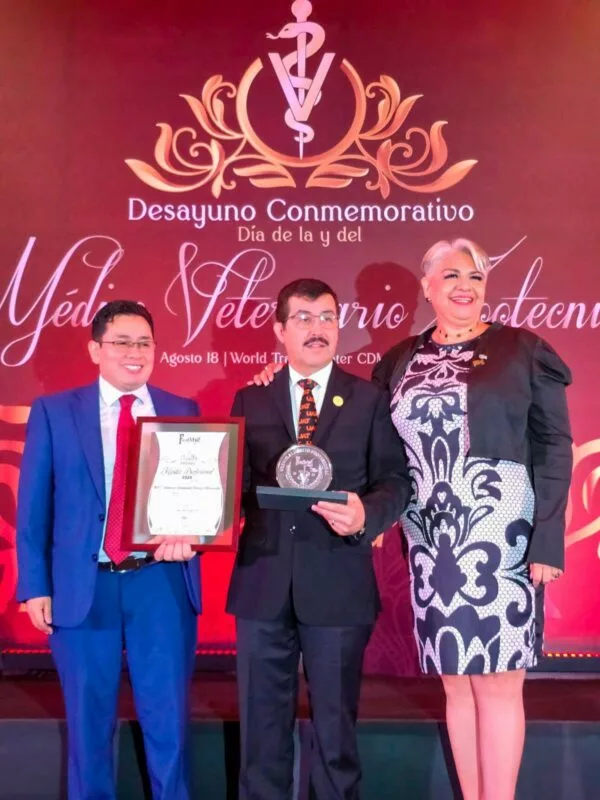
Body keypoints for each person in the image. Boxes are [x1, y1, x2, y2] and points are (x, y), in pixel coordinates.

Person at [372, 238, 573, 800]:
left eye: (476, 277)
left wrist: (547, 540)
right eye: (452, 275)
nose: (465, 286)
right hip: (430, 536)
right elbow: (375, 445)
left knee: (499, 681)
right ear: (427, 287)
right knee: (456, 684)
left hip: (503, 532)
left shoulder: (522, 349)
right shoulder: (399, 359)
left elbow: (555, 447)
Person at [227, 278, 410, 800]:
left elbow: (396, 480)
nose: (317, 329)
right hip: (263, 582)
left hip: (338, 582)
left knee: (335, 733)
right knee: (261, 731)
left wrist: (367, 515)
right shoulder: (251, 397)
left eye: (327, 317)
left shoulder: (369, 398)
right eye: (304, 318)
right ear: (280, 330)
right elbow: (231, 483)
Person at [16, 300, 201, 799]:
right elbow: (32, 508)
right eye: (122, 342)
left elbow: (199, 497)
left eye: (144, 343)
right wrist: (34, 585)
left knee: (169, 726)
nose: (134, 353)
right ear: (95, 349)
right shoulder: (55, 412)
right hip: (83, 588)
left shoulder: (182, 410)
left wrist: (194, 537)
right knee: (88, 728)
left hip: (160, 585)